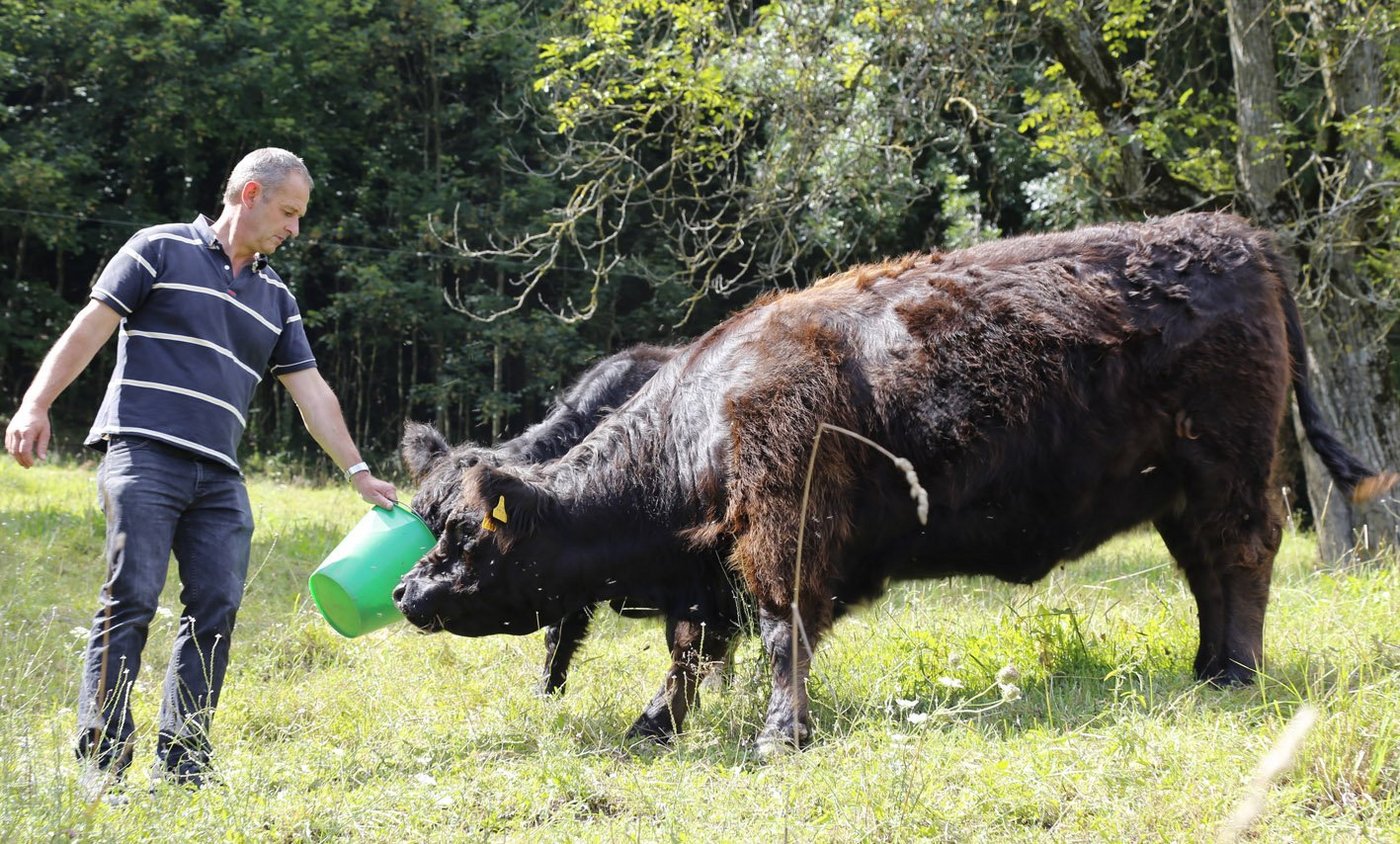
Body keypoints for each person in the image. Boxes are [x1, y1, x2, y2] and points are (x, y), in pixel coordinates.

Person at [4, 148, 396, 795]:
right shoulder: (158, 249)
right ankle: (101, 763)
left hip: (219, 477)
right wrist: (35, 404)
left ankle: (183, 762)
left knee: (215, 608)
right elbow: (89, 328)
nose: (295, 229)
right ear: (249, 194)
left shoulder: (277, 299)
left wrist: (357, 470)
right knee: (130, 599)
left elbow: (313, 393)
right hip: (143, 453)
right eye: (289, 212)